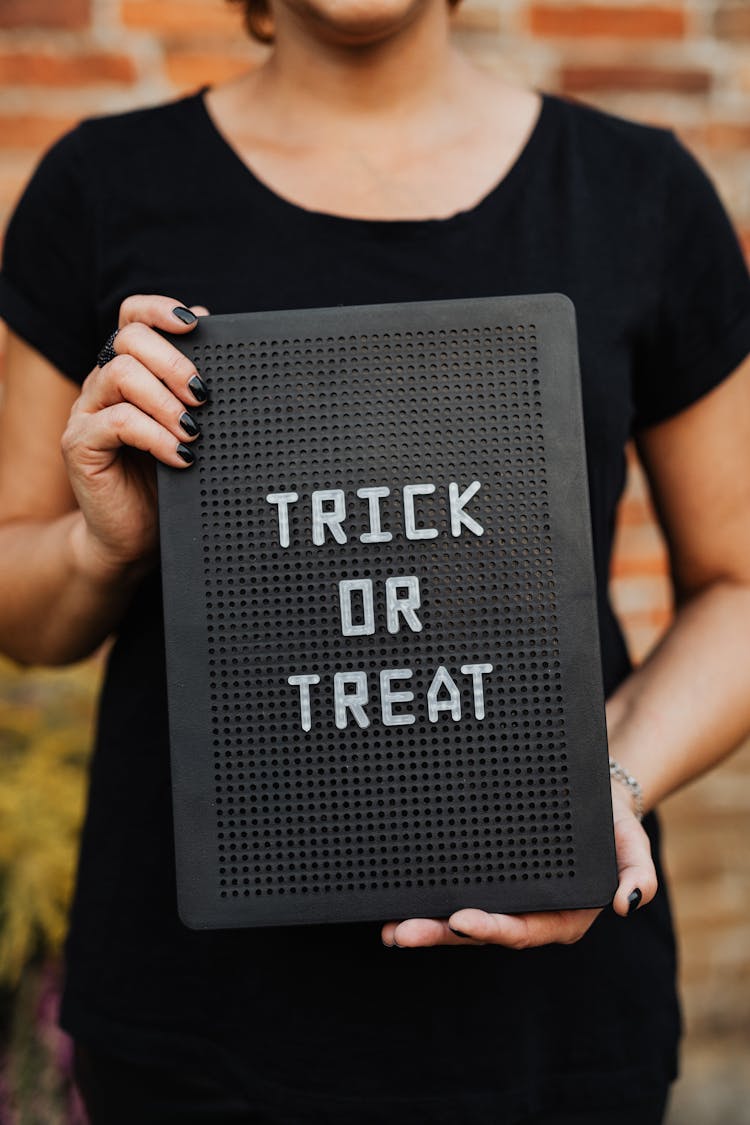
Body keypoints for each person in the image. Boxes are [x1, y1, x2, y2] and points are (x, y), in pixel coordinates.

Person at [0, 0, 749, 1118]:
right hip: (194, 1025)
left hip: (546, 1025)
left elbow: (738, 584)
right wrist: (104, 541)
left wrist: (603, 788)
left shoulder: (635, 191)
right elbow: (23, 609)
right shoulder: (101, 186)